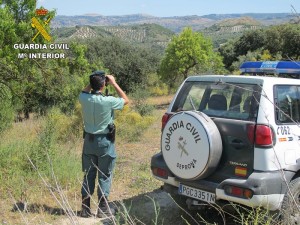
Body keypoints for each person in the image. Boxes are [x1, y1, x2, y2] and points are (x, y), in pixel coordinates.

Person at [79, 71, 129, 218]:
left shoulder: (84, 98)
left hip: (88, 141)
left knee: (88, 174)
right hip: (104, 142)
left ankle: (85, 208)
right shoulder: (108, 101)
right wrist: (113, 82)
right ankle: (102, 209)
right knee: (104, 175)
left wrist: (94, 79)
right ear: (103, 85)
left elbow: (85, 90)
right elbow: (125, 100)